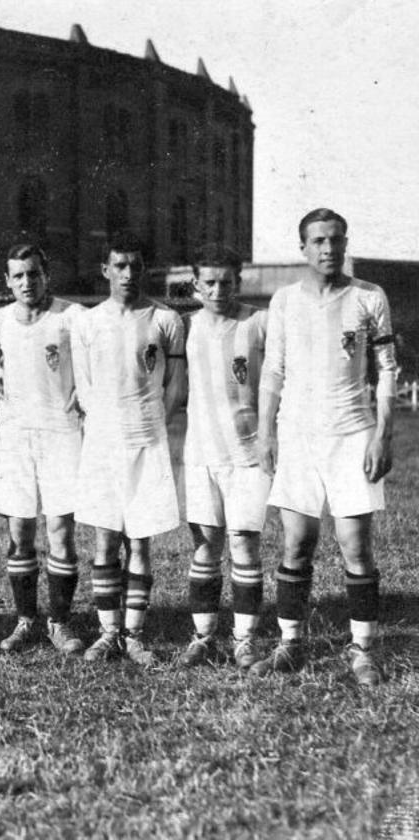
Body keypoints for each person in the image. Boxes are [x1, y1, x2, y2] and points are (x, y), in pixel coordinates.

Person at [251, 208, 397, 687]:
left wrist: (383, 432)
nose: (328, 249)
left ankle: (363, 650)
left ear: (345, 242)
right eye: (317, 241)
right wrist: (267, 433)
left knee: (355, 545)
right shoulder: (285, 301)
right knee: (297, 542)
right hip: (297, 434)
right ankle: (290, 644)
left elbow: (387, 370)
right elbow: (272, 371)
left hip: (352, 433)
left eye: (335, 240)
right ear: (303, 248)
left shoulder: (369, 296)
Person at [70, 232, 185, 667]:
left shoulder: (166, 319)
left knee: (140, 541)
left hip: (147, 440)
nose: (129, 273)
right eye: (120, 265)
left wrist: (154, 424)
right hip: (103, 440)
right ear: (105, 270)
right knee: (104, 540)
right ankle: (107, 632)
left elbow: (175, 387)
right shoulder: (87, 321)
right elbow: (84, 387)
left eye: (136, 265)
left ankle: (134, 634)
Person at [0, 244, 86, 655]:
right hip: (14, 434)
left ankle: (60, 622)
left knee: (60, 531)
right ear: (8, 281)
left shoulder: (72, 316)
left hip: (61, 431)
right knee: (20, 531)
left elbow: (93, 361)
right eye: (19, 276)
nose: (27, 283)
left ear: (48, 275)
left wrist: (84, 390)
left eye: (34, 274)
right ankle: (26, 619)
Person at [178, 244, 269, 669]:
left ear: (239, 281)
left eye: (226, 282)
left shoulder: (259, 322)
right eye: (209, 282)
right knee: (206, 545)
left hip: (248, 453)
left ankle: (245, 639)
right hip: (201, 454)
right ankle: (203, 636)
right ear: (196, 285)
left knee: (244, 543)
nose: (218, 290)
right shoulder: (184, 327)